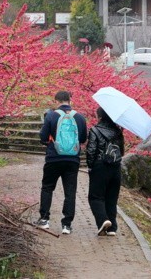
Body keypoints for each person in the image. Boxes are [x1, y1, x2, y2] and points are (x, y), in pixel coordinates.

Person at [36, 90, 87, 234]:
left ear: (56, 101)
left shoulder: (51, 115)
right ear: (69, 100)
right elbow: (83, 139)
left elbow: (43, 136)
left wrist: (50, 143)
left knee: (47, 187)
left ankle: (44, 219)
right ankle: (67, 225)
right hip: (72, 159)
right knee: (70, 191)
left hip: (54, 157)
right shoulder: (79, 117)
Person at [86, 107, 125, 236]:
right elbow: (122, 152)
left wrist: (90, 166)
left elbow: (91, 150)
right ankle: (112, 228)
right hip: (115, 167)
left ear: (100, 117)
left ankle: (103, 220)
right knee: (111, 198)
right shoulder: (118, 132)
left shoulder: (95, 130)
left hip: (100, 166)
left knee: (95, 196)